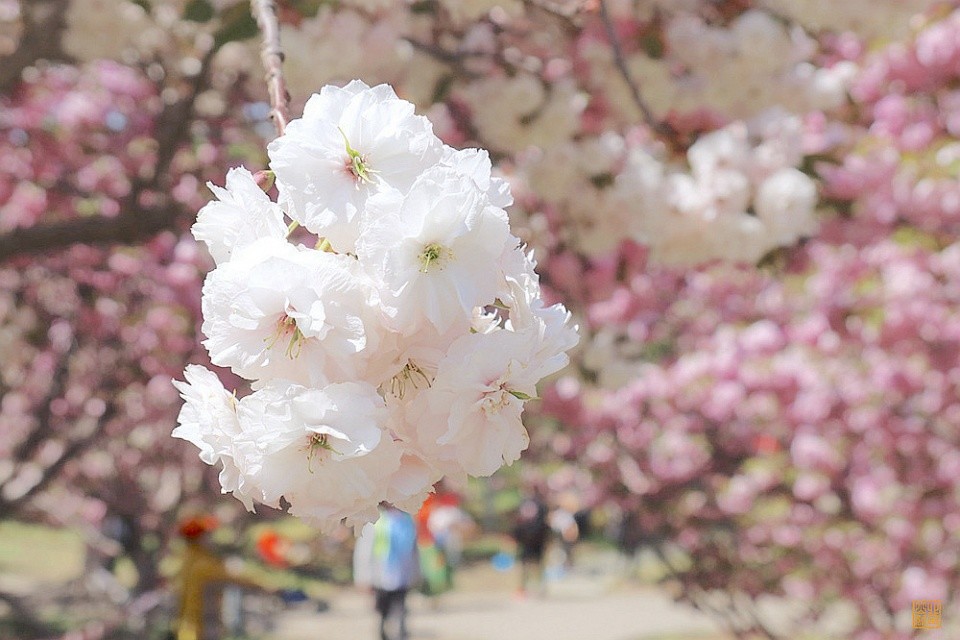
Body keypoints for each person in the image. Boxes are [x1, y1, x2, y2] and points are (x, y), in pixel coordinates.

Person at [172, 514, 268, 640]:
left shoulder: (187, 559)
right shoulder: (202, 564)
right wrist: (265, 584)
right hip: (200, 629)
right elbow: (234, 578)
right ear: (200, 538)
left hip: (187, 629)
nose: (211, 539)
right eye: (207, 535)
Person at [354, 505, 421, 640]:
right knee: (383, 609)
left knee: (401, 607)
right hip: (381, 574)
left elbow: (414, 550)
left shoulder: (407, 520)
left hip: (403, 573)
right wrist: (363, 577)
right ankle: (383, 633)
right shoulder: (376, 520)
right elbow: (365, 551)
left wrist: (416, 573)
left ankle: (401, 633)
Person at [511, 490, 549, 597]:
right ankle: (526, 589)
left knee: (534, 566)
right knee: (527, 567)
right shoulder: (533, 505)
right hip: (528, 541)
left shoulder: (539, 506)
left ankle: (538, 588)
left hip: (535, 540)